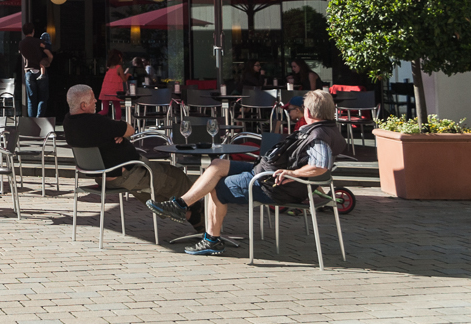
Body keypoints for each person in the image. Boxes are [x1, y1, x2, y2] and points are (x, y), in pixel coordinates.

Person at [146, 89, 346, 256]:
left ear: (308, 111)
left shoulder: (319, 135)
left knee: (216, 186)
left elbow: (320, 166)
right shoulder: (324, 129)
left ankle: (211, 240)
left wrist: (291, 173)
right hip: (269, 174)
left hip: (272, 185)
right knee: (218, 164)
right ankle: (180, 205)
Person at [62, 84, 198, 228]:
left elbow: (114, 133)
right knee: (177, 176)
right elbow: (130, 129)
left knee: (155, 197)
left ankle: (192, 217)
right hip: (129, 174)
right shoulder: (96, 122)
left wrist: (119, 133)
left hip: (103, 177)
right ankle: (202, 216)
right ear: (83, 105)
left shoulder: (68, 123)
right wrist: (121, 132)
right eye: (93, 99)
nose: (96, 101)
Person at [18, 24, 53, 117]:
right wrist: (48, 61)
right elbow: (49, 54)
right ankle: (39, 119)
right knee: (43, 98)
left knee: (31, 99)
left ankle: (32, 122)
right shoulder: (38, 42)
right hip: (40, 70)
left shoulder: (21, 43)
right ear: (33, 31)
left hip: (28, 72)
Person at [98, 50, 127, 120]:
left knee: (105, 110)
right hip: (115, 92)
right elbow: (124, 79)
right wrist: (128, 75)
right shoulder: (119, 67)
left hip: (105, 92)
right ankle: (118, 122)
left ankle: (94, 118)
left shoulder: (108, 68)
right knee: (117, 107)